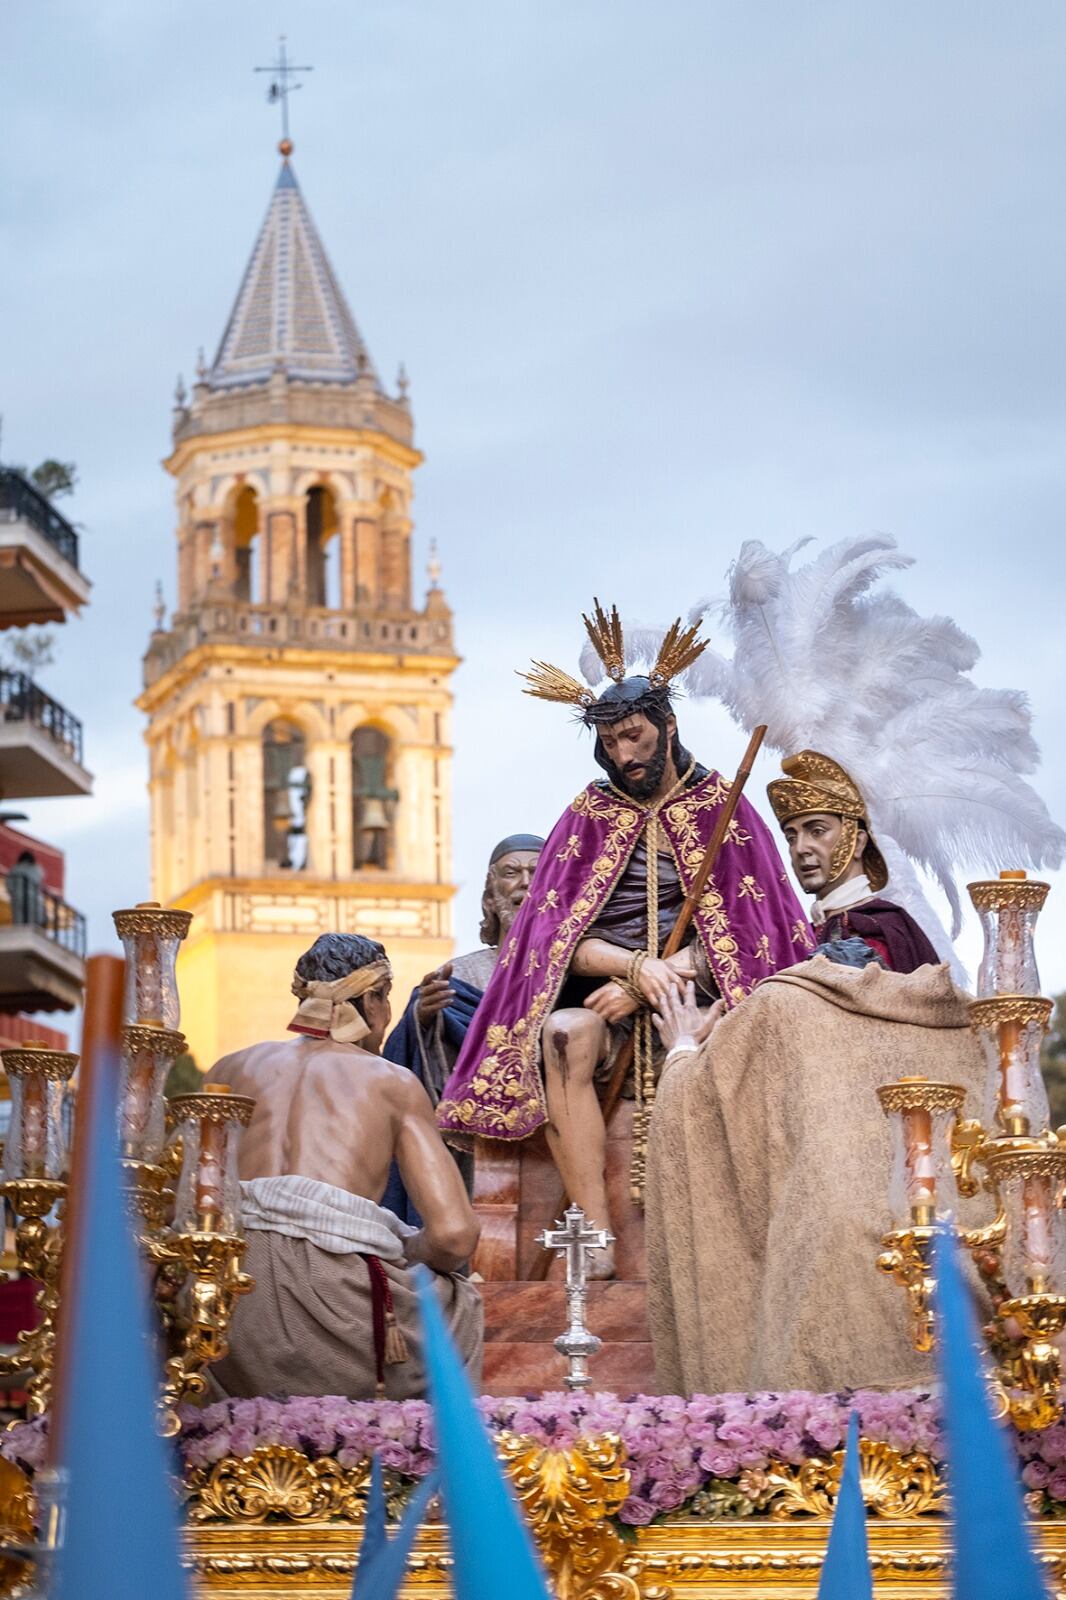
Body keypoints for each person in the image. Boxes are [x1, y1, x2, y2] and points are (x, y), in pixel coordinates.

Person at [437, 601, 812, 1276]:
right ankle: (595, 1236)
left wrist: (675, 976)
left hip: (704, 1000)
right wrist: (634, 969)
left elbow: (760, 930)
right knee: (560, 1035)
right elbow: (546, 936)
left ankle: (743, 1234)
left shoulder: (722, 805)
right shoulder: (588, 813)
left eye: (635, 736)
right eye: (611, 744)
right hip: (606, 998)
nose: (625, 755)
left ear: (668, 726)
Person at [644, 965, 985, 1394]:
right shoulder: (971, 1021)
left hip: (833, 1259)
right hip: (969, 1248)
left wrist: (682, 1048)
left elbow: (695, 1110)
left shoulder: (779, 1003)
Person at [204, 932, 482, 1401]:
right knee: (462, 1301)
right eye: (387, 1000)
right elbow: (456, 1235)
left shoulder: (227, 1070)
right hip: (337, 1305)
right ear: (373, 999)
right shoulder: (391, 1081)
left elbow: (188, 1207)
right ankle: (418, 1464)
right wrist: (404, 1248)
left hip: (228, 1308)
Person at [381, 834, 544, 1223]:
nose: (524, 881)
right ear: (490, 896)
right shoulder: (462, 975)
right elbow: (401, 1063)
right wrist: (423, 1019)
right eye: (511, 872)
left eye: (536, 873)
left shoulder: (578, 969)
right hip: (477, 1145)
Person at [768, 750, 940, 972]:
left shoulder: (884, 928)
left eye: (817, 831)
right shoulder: (799, 938)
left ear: (857, 842)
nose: (800, 848)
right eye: (792, 838)